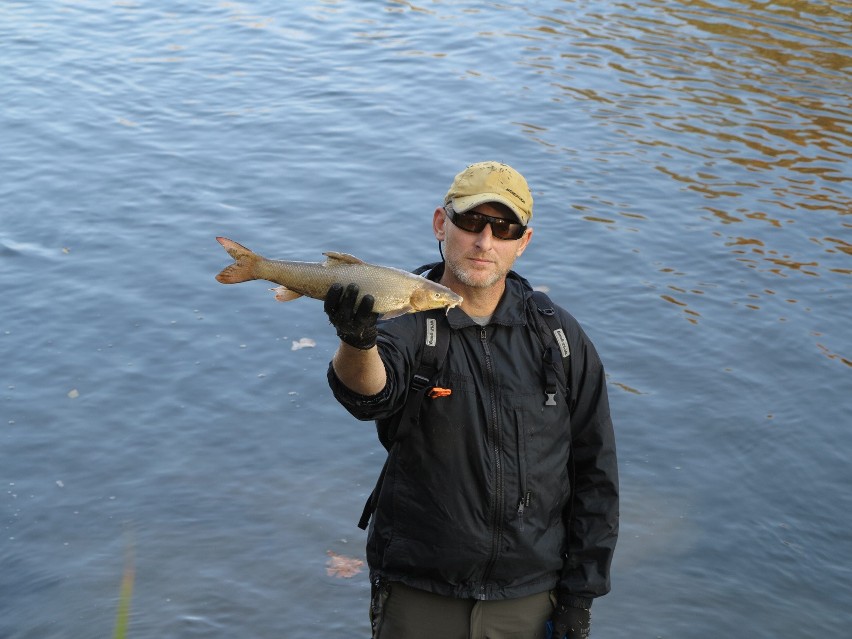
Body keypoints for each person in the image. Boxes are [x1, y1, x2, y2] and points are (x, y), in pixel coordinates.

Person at [324, 161, 619, 639]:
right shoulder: (405, 316)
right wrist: (357, 342)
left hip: (529, 594)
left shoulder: (558, 336)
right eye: (471, 222)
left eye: (504, 228)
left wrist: (580, 595)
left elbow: (596, 470)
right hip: (420, 592)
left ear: (523, 242)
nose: (485, 241)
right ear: (442, 224)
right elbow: (370, 395)